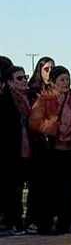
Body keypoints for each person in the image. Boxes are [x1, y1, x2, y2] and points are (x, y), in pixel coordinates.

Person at [29, 66, 71, 234]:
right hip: (52, 152)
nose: (66, 83)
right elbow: (35, 123)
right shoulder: (44, 100)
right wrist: (55, 122)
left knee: (70, 190)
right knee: (50, 190)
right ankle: (45, 224)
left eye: (68, 79)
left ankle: (65, 223)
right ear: (53, 83)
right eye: (62, 80)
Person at [0, 62, 31, 234]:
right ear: (10, 82)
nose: (24, 81)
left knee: (18, 187)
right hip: (9, 149)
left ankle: (17, 219)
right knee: (11, 188)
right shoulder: (5, 100)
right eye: (19, 78)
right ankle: (14, 221)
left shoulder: (28, 98)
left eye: (25, 77)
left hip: (25, 148)